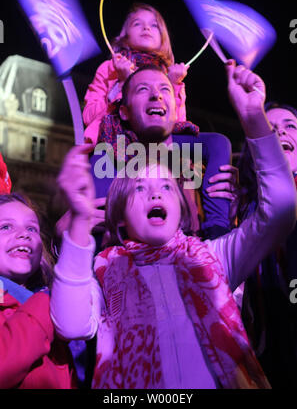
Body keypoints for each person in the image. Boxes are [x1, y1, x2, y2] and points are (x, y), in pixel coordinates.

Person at [50, 61, 296, 389]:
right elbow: (70, 325)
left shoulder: (214, 258)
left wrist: (253, 117)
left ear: (181, 209)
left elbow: (280, 208)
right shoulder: (102, 269)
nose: (155, 190)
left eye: (167, 186)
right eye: (140, 186)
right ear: (119, 213)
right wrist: (79, 222)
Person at [89, 63, 234, 241]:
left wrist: (221, 229)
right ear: (124, 112)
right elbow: (95, 232)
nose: (156, 95)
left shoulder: (197, 159)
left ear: (175, 108)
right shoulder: (106, 157)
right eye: (143, 89)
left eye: (165, 89)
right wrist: (70, 237)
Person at [237, 101, 297, 388]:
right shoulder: (239, 212)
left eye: (290, 127)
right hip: (260, 356)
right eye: (269, 129)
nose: (280, 133)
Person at [83, 2, 188, 144]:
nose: (146, 28)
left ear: (163, 37)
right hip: (115, 146)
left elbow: (179, 124)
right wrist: (121, 84)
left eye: (154, 25)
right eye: (137, 24)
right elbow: (88, 116)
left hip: (160, 148)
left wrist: (173, 86)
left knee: (218, 143)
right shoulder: (110, 69)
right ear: (125, 35)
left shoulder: (169, 75)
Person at [0, 193, 76, 389]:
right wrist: (45, 301)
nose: (24, 234)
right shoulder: (43, 305)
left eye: (32, 228)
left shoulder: (51, 305)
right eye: (6, 227)